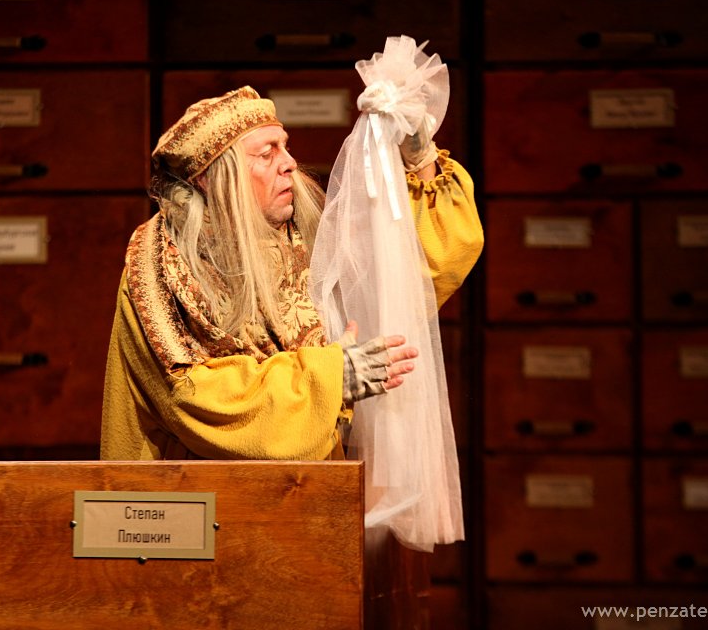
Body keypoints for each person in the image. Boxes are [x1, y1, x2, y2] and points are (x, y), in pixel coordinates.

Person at [100, 85, 483, 462]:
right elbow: (192, 394)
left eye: (284, 147)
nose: (289, 163)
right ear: (211, 178)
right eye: (267, 154)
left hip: (310, 487)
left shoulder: (302, 232)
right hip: (202, 492)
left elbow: (410, 276)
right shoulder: (162, 260)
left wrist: (420, 159)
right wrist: (330, 379)